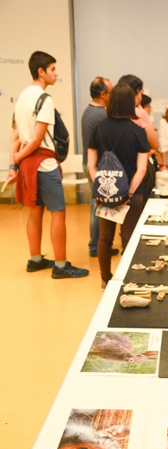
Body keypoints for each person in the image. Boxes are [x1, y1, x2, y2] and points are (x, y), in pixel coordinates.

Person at [6, 51, 89, 279]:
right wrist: (21, 157)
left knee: (35, 212)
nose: (56, 73)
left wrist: (14, 164)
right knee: (58, 213)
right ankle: (61, 266)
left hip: (28, 167)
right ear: (41, 72)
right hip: (44, 163)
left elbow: (15, 137)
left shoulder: (22, 97)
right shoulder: (44, 99)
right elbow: (36, 139)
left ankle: (35, 260)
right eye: (53, 69)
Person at [87, 83, 149, 287]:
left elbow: (91, 164)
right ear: (131, 104)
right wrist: (128, 193)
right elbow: (142, 169)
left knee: (105, 238)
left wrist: (103, 188)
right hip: (132, 195)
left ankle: (105, 279)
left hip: (106, 194)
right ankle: (130, 280)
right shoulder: (138, 132)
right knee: (129, 236)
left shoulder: (98, 128)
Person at [81, 77, 119, 258]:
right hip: (97, 165)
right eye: (111, 92)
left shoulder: (88, 111)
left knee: (94, 205)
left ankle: (96, 244)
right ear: (103, 94)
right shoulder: (101, 115)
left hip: (89, 163)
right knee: (99, 206)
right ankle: (97, 245)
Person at [118, 75, 159, 203]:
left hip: (115, 170)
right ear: (137, 92)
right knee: (136, 214)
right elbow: (155, 143)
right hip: (136, 169)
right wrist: (142, 111)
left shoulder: (110, 112)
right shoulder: (139, 113)